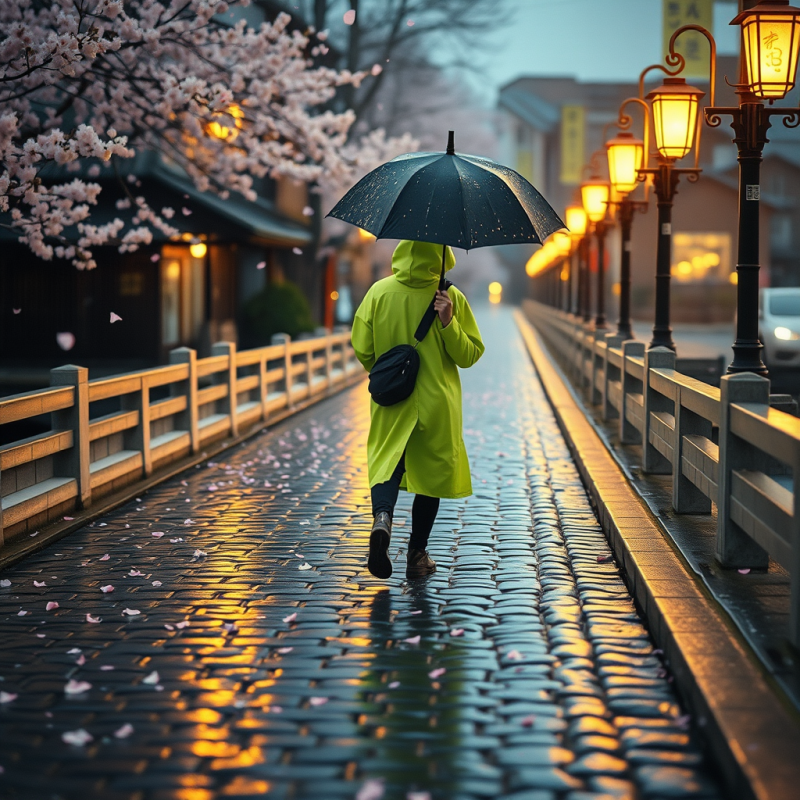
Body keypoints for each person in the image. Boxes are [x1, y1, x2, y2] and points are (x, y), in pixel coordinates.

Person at [351, 240, 485, 580]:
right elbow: (469, 356)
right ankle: (417, 553)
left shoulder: (378, 293)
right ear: (443, 257)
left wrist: (388, 372)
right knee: (431, 476)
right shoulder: (450, 298)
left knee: (387, 462)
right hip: (437, 402)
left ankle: (382, 518)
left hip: (393, 399)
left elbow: (363, 347)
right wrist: (447, 322)